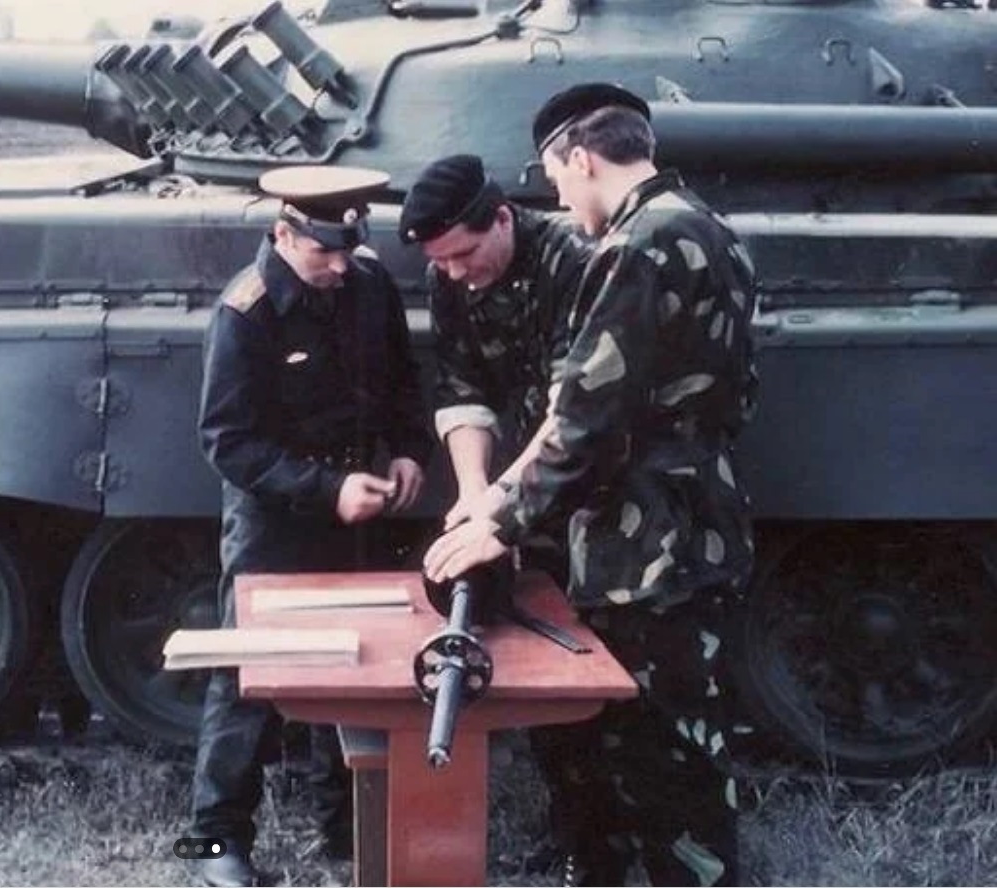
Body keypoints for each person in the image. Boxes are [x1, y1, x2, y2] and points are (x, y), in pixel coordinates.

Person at [421, 83, 761, 886]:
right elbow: (736, 395)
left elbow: (584, 419)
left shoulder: (635, 247)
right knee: (677, 739)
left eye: (557, 180)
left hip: (647, 540)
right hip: (694, 515)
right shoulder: (709, 227)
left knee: (661, 746)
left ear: (580, 159)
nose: (562, 202)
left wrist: (496, 520)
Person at [190, 165, 433, 887]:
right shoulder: (246, 312)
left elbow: (400, 380)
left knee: (356, 670)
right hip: (277, 522)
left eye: (348, 247)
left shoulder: (367, 283)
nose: (339, 265)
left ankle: (347, 828)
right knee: (246, 681)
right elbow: (228, 441)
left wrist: (410, 449)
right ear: (284, 234)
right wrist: (328, 490)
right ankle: (216, 845)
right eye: (325, 250)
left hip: (359, 509)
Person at [397, 153, 591, 583]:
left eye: (465, 252)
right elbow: (462, 388)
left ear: (502, 219)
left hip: (593, 480)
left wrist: (502, 495)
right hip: (533, 483)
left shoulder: (572, 259)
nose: (454, 272)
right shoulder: (447, 277)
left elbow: (575, 408)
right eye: (440, 260)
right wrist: (474, 491)